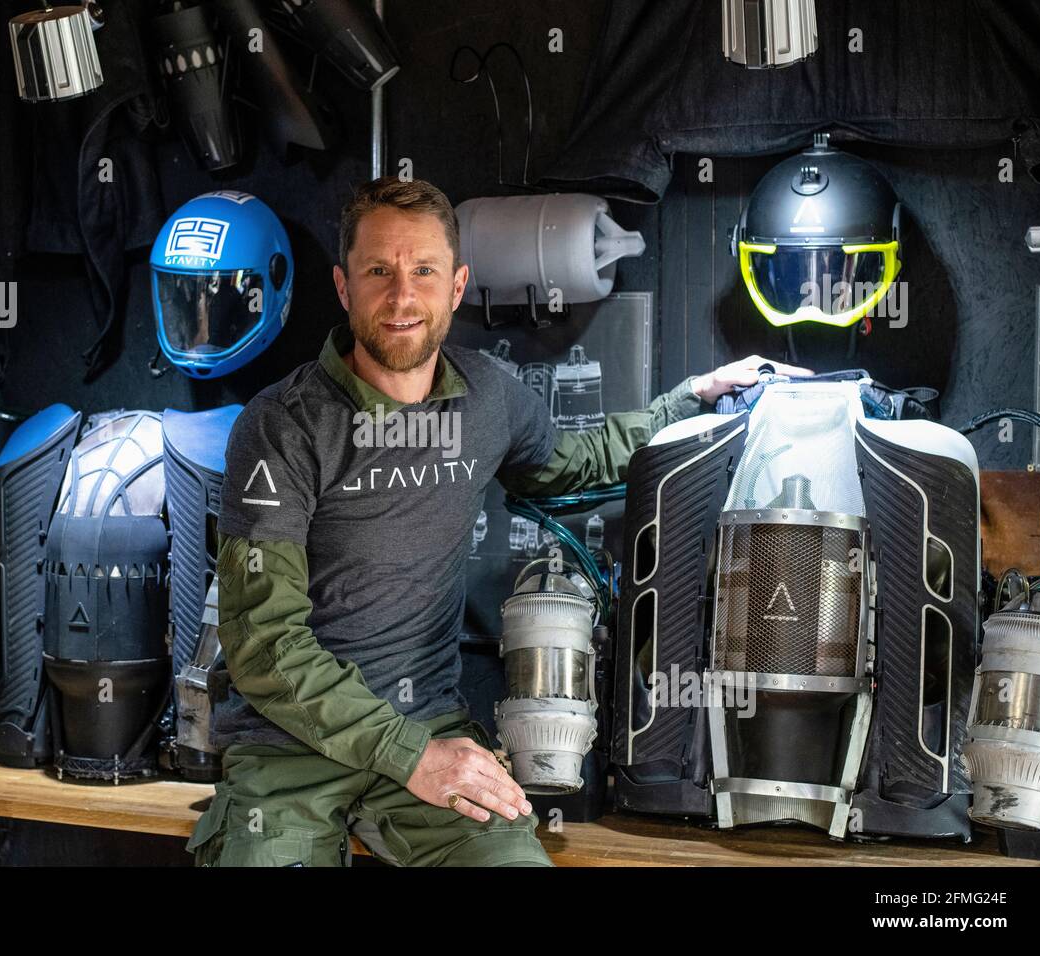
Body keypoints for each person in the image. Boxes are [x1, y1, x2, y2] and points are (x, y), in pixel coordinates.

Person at [185, 176, 810, 867]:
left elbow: (572, 462)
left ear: (456, 287)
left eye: (424, 271)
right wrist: (410, 754)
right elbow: (265, 645)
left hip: (427, 726)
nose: (402, 296)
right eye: (378, 272)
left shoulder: (487, 397)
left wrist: (690, 398)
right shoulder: (281, 425)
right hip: (291, 749)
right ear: (343, 286)